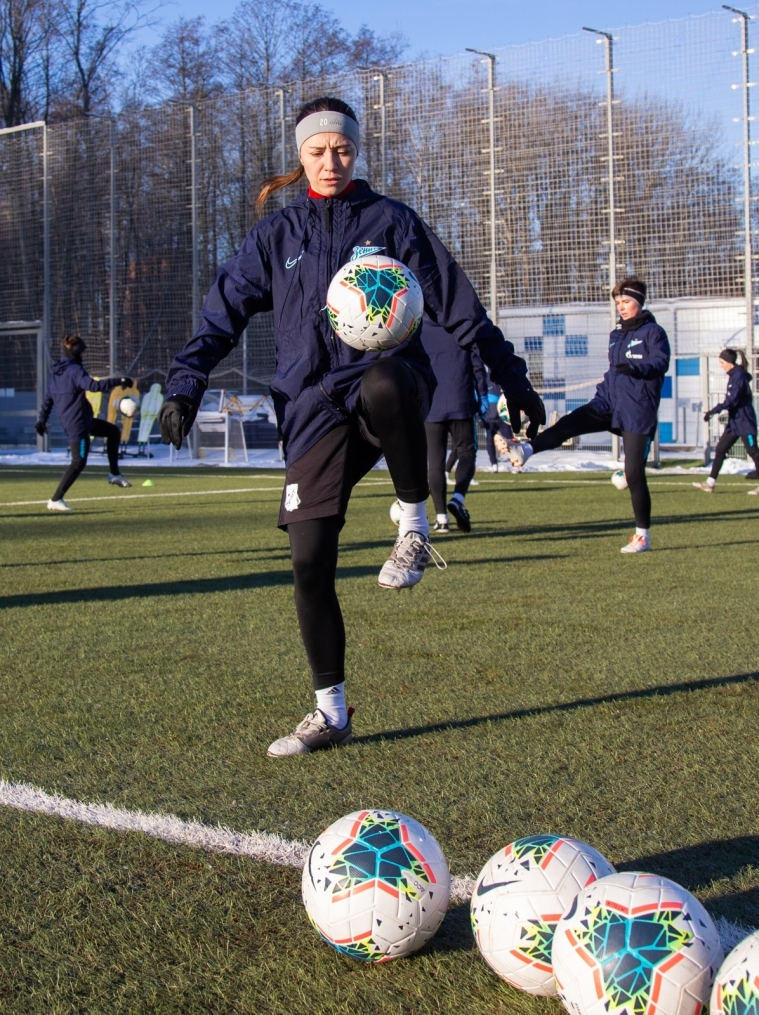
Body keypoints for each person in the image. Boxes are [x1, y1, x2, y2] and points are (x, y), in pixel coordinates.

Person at [157, 96, 544, 758]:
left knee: (385, 378)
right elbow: (219, 314)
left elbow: (457, 303)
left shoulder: (392, 221)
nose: (330, 162)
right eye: (316, 151)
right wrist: (185, 383)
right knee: (308, 560)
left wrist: (510, 374)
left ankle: (413, 525)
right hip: (313, 408)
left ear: (355, 151)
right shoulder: (275, 237)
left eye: (341, 149)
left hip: (389, 392)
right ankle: (329, 712)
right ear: (299, 156)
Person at [505, 276, 670, 553]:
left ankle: (642, 536)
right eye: (618, 302)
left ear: (639, 302)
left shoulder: (654, 332)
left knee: (633, 473)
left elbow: (660, 363)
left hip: (637, 409)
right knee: (570, 423)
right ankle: (527, 450)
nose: (622, 307)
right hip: (607, 402)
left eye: (627, 301)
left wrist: (638, 369)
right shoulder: (616, 333)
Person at [36, 335, 133, 511]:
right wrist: (119, 381)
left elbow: (48, 398)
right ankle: (56, 500)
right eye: (82, 352)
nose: (85, 356)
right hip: (77, 423)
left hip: (82, 420)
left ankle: (114, 474)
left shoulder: (58, 372)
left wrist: (42, 419)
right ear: (75, 352)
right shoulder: (74, 370)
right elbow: (93, 386)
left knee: (113, 432)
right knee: (78, 462)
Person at [422, 318, 488, 533]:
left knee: (436, 462)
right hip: (462, 401)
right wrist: (483, 394)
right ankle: (458, 498)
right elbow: (477, 366)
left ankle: (441, 518)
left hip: (432, 406)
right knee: (467, 452)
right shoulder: (460, 328)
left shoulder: (420, 331)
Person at [692, 349, 759, 494]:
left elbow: (732, 400)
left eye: (722, 363)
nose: (721, 365)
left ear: (729, 362)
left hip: (745, 421)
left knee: (754, 452)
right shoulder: (734, 375)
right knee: (721, 449)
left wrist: (714, 411)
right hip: (734, 423)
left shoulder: (739, 377)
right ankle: (710, 483)